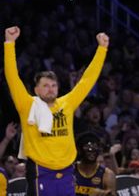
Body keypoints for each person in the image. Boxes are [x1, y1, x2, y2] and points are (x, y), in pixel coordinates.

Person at [4, 26, 109, 196]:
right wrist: (9, 44)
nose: (50, 89)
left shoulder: (66, 103)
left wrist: (102, 49)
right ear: (36, 90)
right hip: (41, 171)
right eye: (45, 86)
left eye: (53, 86)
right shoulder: (27, 104)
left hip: (67, 171)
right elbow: (12, 77)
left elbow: (87, 80)